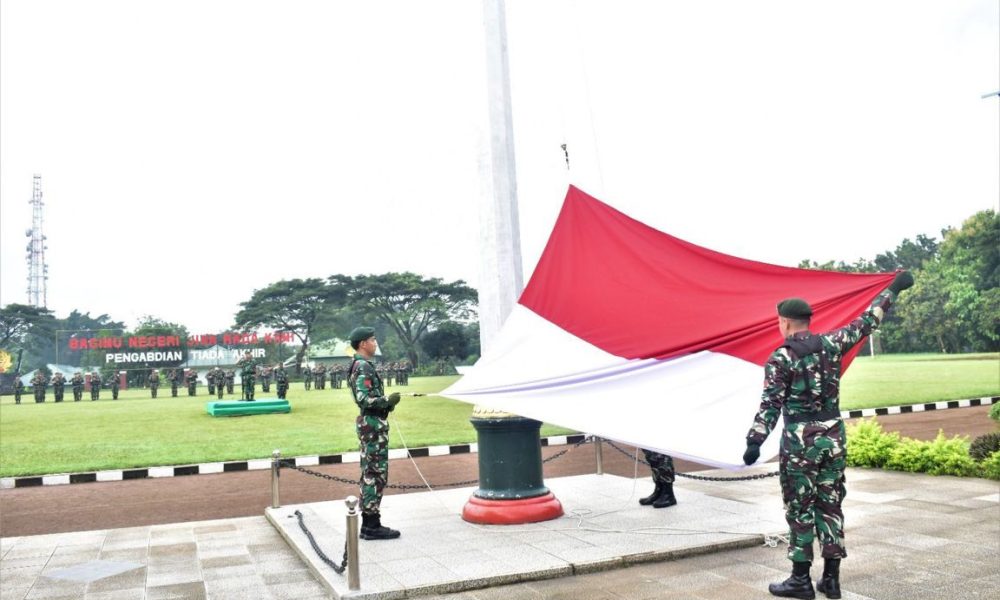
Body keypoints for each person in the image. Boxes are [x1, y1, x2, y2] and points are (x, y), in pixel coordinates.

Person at [742, 271, 913, 600]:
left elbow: (770, 405)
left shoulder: (781, 358)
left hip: (800, 443)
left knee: (800, 508)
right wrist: (894, 288)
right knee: (830, 505)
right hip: (833, 437)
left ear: (785, 322)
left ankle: (800, 580)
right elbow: (869, 320)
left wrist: (754, 442)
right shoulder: (834, 342)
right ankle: (831, 580)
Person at [347, 326, 402, 540]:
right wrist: (386, 401)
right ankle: (371, 525)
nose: (375, 342)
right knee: (374, 473)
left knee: (373, 472)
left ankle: (370, 523)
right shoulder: (362, 366)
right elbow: (364, 399)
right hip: (372, 424)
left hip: (373, 422)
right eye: (372, 339)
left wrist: (387, 405)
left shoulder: (363, 364)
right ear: (363, 344)